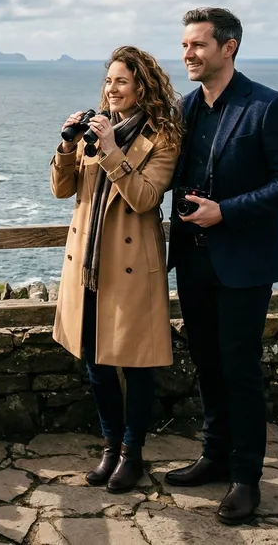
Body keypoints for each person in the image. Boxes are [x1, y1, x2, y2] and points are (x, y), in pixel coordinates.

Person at [164, 7, 278, 524]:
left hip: (245, 262)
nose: (188, 54)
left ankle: (247, 478)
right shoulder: (184, 108)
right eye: (184, 45)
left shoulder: (268, 106)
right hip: (193, 260)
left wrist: (225, 211)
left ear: (228, 47)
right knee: (206, 363)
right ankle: (215, 455)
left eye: (198, 45)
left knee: (240, 370)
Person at [50, 45, 184, 493]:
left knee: (138, 365)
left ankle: (133, 453)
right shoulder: (93, 131)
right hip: (89, 264)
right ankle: (109, 447)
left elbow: (146, 198)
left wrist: (110, 149)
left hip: (130, 266)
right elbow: (61, 189)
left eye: (121, 81)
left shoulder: (162, 136)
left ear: (142, 86)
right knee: (96, 362)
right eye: (108, 80)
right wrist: (68, 144)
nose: (112, 89)